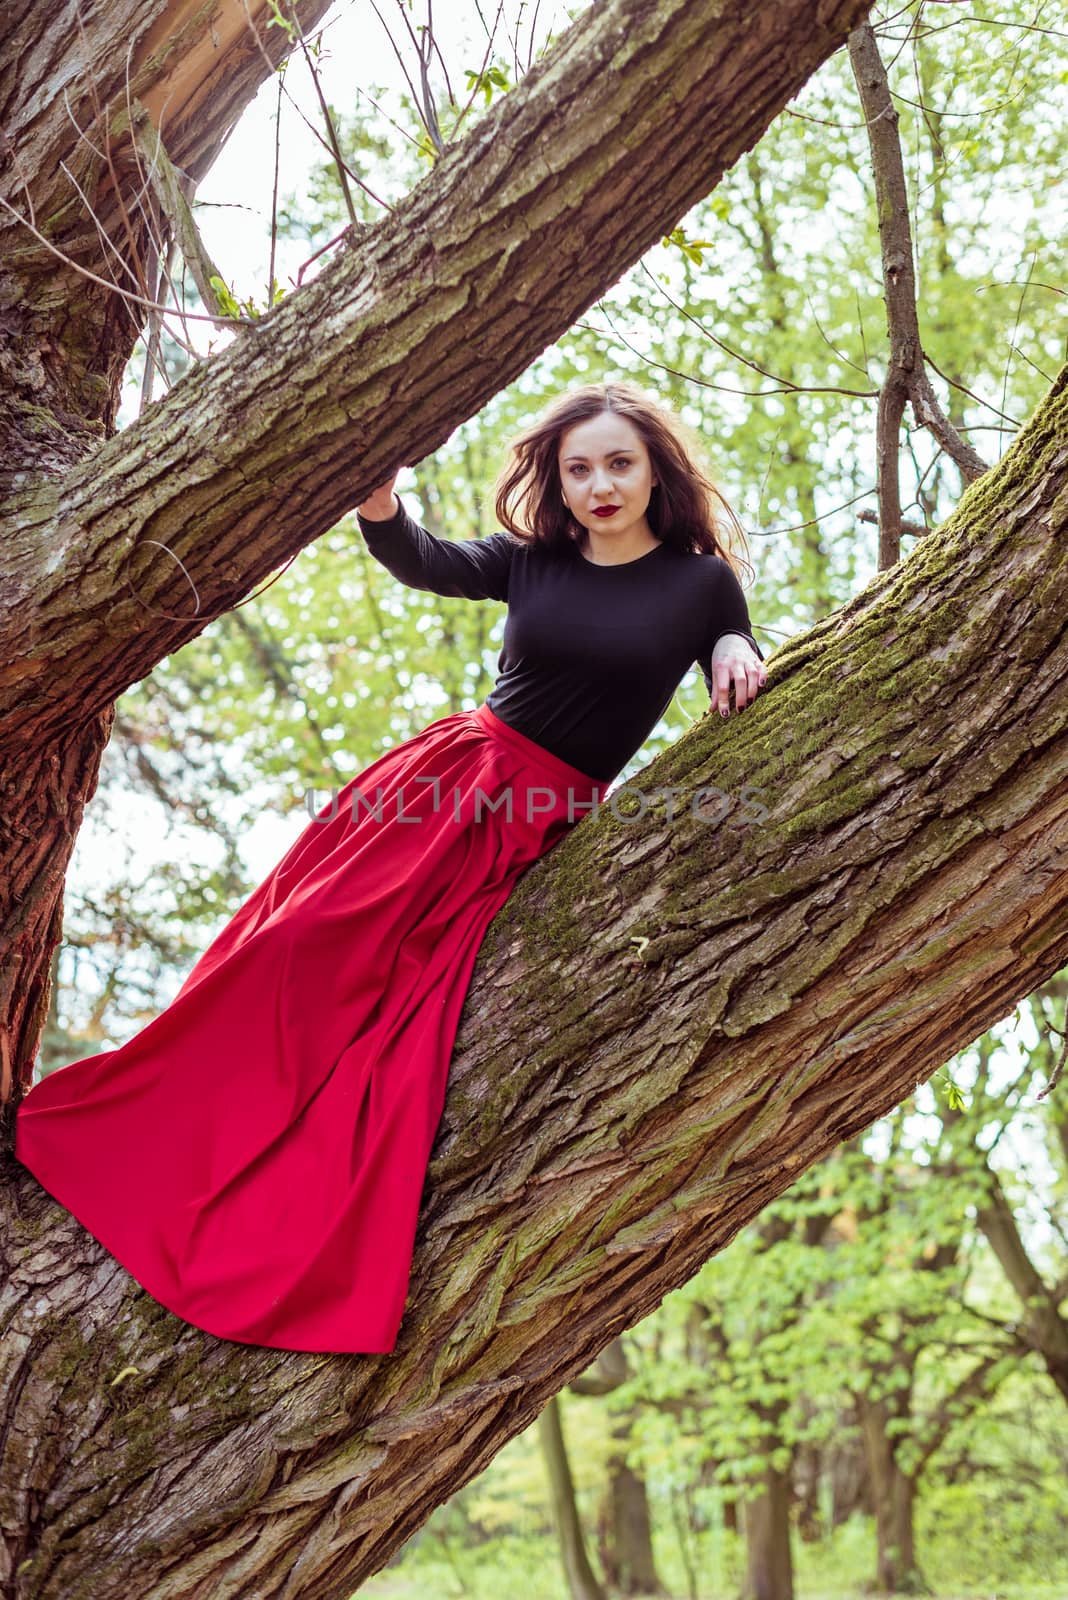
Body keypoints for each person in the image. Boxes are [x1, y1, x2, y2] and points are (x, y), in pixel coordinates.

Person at [14, 379, 766, 1355]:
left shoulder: (698, 581)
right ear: (557, 480)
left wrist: (734, 650)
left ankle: (284, 1223)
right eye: (579, 468)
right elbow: (424, 561)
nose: (600, 484)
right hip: (447, 786)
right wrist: (381, 502)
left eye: (619, 463)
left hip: (547, 818)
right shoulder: (535, 562)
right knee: (296, 947)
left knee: (399, 1034)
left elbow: (727, 635)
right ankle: (145, 1136)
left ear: (656, 468)